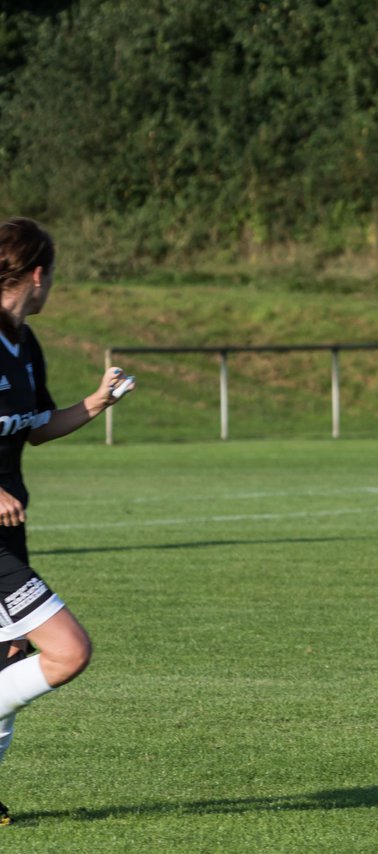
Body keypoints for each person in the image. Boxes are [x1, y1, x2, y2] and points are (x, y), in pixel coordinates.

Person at [0, 217, 133, 823]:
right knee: (67, 651)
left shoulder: (24, 345)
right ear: (36, 273)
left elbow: (38, 427)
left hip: (9, 534)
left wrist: (96, 402)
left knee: (9, 662)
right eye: (51, 274)